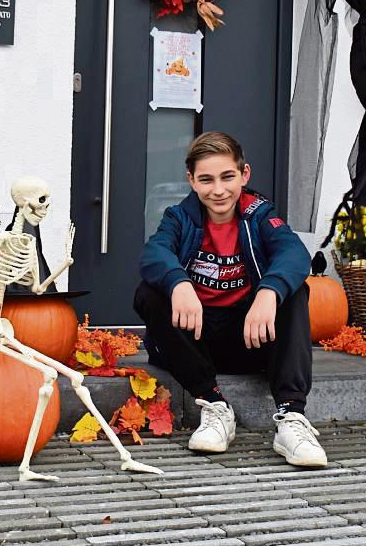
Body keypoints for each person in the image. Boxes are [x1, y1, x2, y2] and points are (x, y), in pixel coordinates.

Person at [134, 132, 326, 467]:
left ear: (244, 174)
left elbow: (294, 253)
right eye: (206, 179)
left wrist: (269, 291)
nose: (218, 190)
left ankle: (291, 417)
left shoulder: (260, 216)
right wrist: (179, 283)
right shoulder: (179, 218)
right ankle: (215, 406)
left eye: (228, 177)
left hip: (252, 340)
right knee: (149, 292)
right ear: (192, 180)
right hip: (196, 344)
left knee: (296, 291)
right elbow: (154, 254)